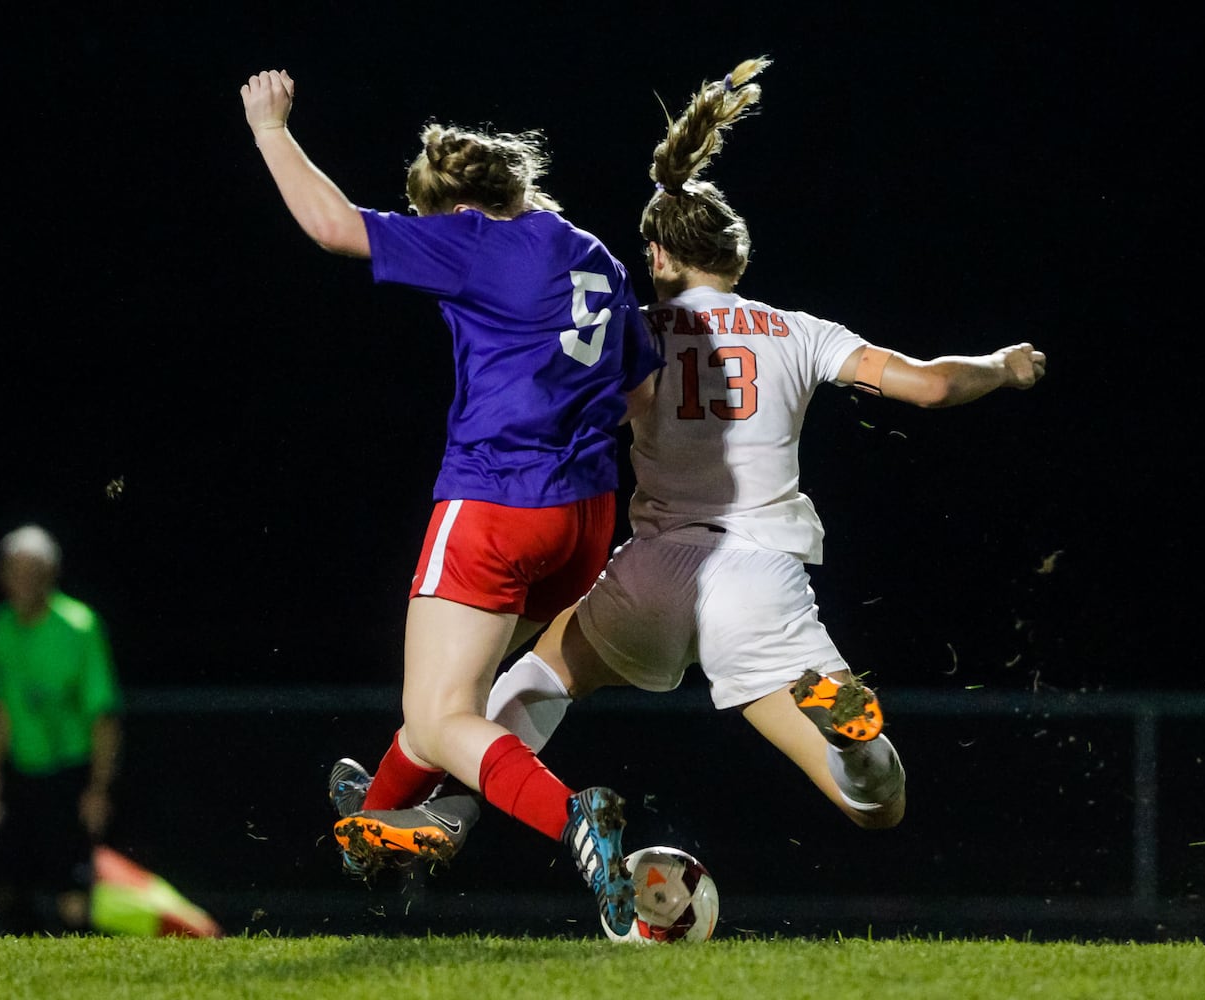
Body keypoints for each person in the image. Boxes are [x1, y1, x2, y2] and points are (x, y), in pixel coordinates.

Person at [336, 56, 1047, 875]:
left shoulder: (620, 325)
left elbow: (569, 391)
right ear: (736, 258)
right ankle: (855, 739)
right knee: (876, 806)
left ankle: (446, 819)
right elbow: (927, 386)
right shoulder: (800, 331)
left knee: (530, 681)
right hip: (756, 574)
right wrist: (1000, 365)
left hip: (650, 567)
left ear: (660, 258)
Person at [240, 69, 664, 938]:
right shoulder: (595, 254)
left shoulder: (470, 239)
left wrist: (270, 131)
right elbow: (644, 398)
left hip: (495, 503)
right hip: (583, 522)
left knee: (438, 717)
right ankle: (373, 825)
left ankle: (571, 819)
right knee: (442, 706)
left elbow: (332, 227)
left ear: (455, 208)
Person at [0, 524, 124, 934]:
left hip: (70, 774)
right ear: (1, 575)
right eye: (14, 569)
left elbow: (104, 714)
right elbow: (0, 709)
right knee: (2, 886)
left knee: (74, 901)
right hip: (21, 772)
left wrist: (98, 787)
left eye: (33, 570)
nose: (22, 579)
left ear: (50, 574)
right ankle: (33, 955)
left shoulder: (80, 625)